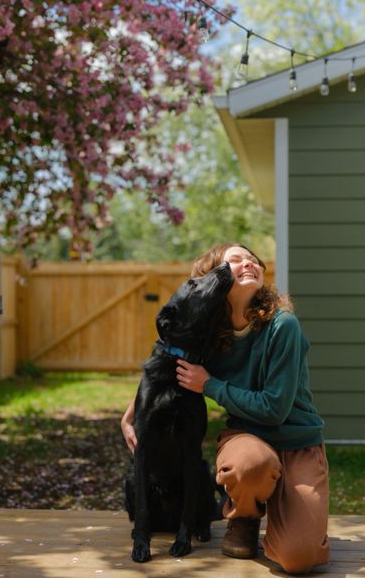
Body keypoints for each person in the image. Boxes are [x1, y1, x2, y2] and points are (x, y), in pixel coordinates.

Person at [121, 243, 329, 574]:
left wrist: (210, 386)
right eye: (235, 260)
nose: (248, 263)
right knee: (250, 464)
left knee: (298, 558)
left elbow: (274, 408)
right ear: (214, 279)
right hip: (249, 441)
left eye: (253, 260)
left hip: (298, 443)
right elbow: (170, 360)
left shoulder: (282, 326)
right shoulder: (209, 336)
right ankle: (244, 517)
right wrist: (131, 414)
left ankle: (287, 515)